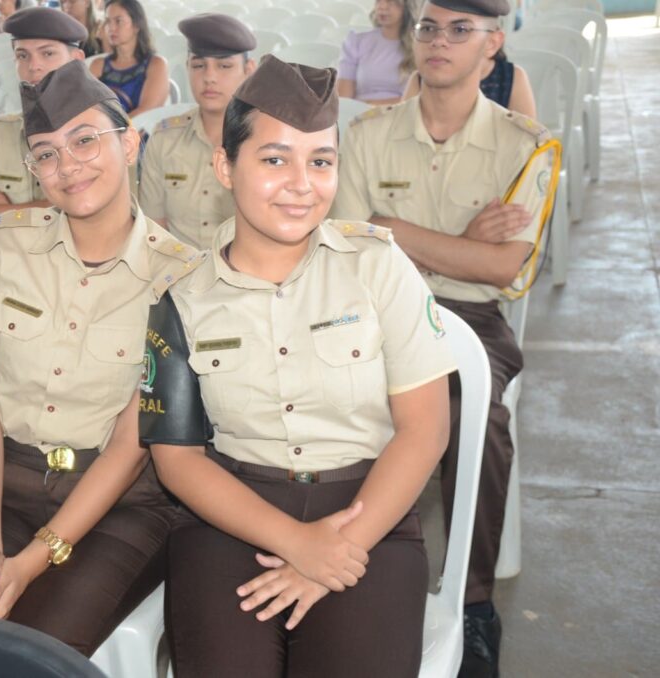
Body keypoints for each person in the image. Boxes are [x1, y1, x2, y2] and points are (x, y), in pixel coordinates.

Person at [140, 54, 455, 677]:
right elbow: (177, 460)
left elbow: (425, 428)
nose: (302, 183)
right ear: (225, 167)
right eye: (275, 158)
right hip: (229, 518)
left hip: (370, 511)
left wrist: (337, 548)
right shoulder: (182, 297)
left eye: (321, 161)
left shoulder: (378, 266)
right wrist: (299, 545)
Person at [0, 60, 204, 657]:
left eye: (86, 140)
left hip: (118, 505)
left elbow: (126, 445)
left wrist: (30, 563)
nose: (68, 167)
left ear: (130, 142)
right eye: (46, 153)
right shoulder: (3, 247)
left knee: (28, 655)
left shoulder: (180, 276)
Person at [330, 1, 557, 675]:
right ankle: (337, 562)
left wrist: (391, 227)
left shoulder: (526, 146)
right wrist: (456, 244)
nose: (440, 41)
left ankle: (474, 603)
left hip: (471, 320)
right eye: (429, 27)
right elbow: (347, 245)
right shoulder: (367, 134)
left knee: (476, 417)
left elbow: (502, 267)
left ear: (493, 46)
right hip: (370, 310)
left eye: (462, 30)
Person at [0, 7, 87, 241]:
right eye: (23, 55)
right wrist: (52, 208)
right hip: (14, 269)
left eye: (47, 54)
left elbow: (98, 227)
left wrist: (3, 214)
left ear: (76, 61)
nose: (33, 66)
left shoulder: (102, 133)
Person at [139, 13, 255, 249]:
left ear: (249, 70)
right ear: (187, 68)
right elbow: (154, 231)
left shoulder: (267, 143)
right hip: (180, 276)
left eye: (224, 66)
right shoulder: (164, 139)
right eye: (199, 65)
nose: (209, 77)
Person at [403, 43, 537, 118]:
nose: (441, 41)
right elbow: (400, 134)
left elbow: (529, 144)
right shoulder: (421, 78)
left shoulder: (511, 77)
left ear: (492, 41)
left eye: (460, 30)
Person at [90, 0, 168, 116]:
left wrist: (112, 131)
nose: (111, 27)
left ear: (136, 25)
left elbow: (146, 114)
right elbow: (85, 106)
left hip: (136, 132)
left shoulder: (156, 65)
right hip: (100, 130)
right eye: (108, 21)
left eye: (118, 21)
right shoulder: (98, 65)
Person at [337, 0, 419, 105]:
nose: (382, 6)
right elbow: (344, 98)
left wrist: (370, 104)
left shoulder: (421, 46)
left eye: (390, 1)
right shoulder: (356, 41)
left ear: (406, 6)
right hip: (359, 115)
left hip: (401, 115)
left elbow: (418, 100)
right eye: (378, 1)